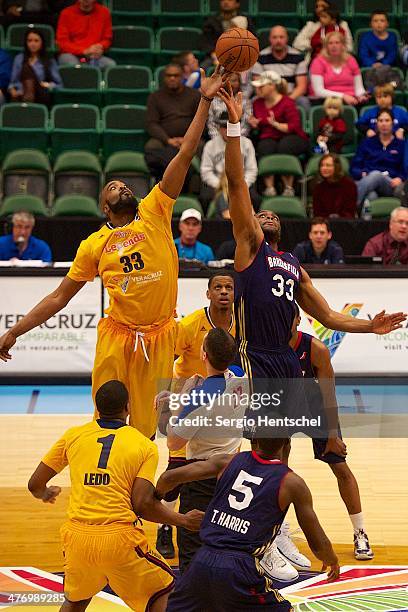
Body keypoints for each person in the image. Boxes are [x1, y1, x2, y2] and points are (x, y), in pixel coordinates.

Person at [216, 81, 405, 577]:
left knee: (282, 453)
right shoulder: (249, 248)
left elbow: (326, 317)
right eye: (259, 214)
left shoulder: (292, 266)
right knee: (262, 455)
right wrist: (235, 126)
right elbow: (238, 186)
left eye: (271, 214)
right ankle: (266, 542)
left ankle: (277, 538)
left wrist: (370, 325)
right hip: (258, 357)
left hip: (286, 361)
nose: (264, 213)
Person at [0, 67, 229, 441]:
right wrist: (15, 331)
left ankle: (135, 486)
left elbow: (186, 153)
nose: (120, 186)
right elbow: (59, 297)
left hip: (158, 337)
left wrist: (204, 100)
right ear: (105, 208)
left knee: (144, 430)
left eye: (124, 184)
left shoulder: (154, 210)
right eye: (112, 186)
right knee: (106, 423)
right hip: (117, 336)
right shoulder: (93, 245)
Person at [28, 380, 203, 612]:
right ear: (128, 407)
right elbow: (142, 504)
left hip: (77, 538)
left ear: (97, 407)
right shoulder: (143, 445)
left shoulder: (73, 435)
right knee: (166, 592)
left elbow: (35, 484)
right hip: (119, 539)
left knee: (76, 600)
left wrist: (46, 493)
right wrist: (182, 520)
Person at [155, 437, 340, 611]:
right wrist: (331, 559)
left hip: (201, 560)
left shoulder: (228, 461)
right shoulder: (292, 482)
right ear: (287, 444)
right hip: (240, 569)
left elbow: (167, 479)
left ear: (254, 441)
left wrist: (154, 500)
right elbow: (317, 543)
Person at [156, 272, 235, 559]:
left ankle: (215, 531)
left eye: (228, 287)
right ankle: (165, 525)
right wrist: (169, 402)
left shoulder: (242, 322)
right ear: (208, 294)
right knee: (176, 472)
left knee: (219, 471)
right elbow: (167, 360)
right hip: (190, 402)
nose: (224, 292)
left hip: (221, 401)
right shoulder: (190, 324)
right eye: (218, 287)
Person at [161, 327, 247, 574]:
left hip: (202, 478)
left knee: (192, 549)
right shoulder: (240, 377)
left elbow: (173, 442)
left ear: (203, 354)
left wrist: (185, 399)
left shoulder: (200, 397)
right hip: (232, 473)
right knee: (225, 543)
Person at [291, 305, 373, 559]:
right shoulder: (268, 347)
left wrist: (332, 435)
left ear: (297, 320)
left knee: (341, 468)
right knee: (274, 468)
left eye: (288, 317)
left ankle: (360, 532)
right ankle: (278, 534)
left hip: (315, 408)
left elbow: (328, 394)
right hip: (282, 406)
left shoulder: (316, 348)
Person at [251, 70, 309, 197]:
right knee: (265, 147)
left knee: (285, 147)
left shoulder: (287, 102)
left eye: (261, 87)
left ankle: (289, 187)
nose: (258, 90)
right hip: (269, 136)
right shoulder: (257, 103)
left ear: (272, 86)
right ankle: (269, 187)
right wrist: (255, 123)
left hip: (291, 136)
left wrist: (275, 124)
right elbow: (260, 124)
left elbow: (294, 127)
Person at [145, 63, 201, 183]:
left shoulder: (195, 95)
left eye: (176, 75)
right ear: (164, 77)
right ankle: (167, 181)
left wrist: (187, 139)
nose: (172, 78)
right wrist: (168, 140)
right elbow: (152, 124)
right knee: (151, 147)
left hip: (190, 139)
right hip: (164, 141)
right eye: (169, 75)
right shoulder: (155, 97)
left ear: (182, 77)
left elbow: (200, 121)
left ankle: (186, 185)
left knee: (201, 146)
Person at [200, 111, 259, 215]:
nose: (228, 130)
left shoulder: (247, 143)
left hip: (242, 182)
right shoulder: (210, 145)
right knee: (205, 198)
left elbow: (252, 170)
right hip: (217, 182)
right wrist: (220, 185)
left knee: (255, 198)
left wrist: (241, 185)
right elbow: (206, 171)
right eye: (224, 127)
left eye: (231, 127)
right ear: (219, 128)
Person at [350, 109, 407, 208]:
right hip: (368, 181)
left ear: (393, 123)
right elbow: (354, 167)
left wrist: (401, 178)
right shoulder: (367, 142)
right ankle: (367, 221)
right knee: (371, 197)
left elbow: (406, 166)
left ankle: (351, 207)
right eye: (380, 121)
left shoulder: (401, 144)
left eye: (387, 120)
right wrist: (361, 173)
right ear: (376, 124)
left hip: (390, 183)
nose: (384, 124)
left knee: (376, 175)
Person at [251, 25, 310, 113]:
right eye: (274, 37)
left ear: (287, 39)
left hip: (291, 96)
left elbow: (301, 87)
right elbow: (259, 88)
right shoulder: (260, 58)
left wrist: (285, 101)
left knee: (304, 101)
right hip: (268, 96)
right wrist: (273, 99)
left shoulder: (298, 57)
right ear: (270, 39)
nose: (278, 40)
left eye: (281, 37)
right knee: (254, 100)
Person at [309, 31, 369, 106]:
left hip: (351, 99)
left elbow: (359, 88)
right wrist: (343, 96)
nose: (334, 46)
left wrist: (361, 96)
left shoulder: (351, 60)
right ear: (326, 46)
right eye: (330, 43)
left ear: (343, 45)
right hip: (325, 100)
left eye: (337, 43)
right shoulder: (318, 62)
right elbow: (319, 91)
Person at [9, 27, 62, 105]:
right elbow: (12, 82)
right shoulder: (19, 58)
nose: (32, 44)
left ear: (42, 43)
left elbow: (59, 85)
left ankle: (28, 100)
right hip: (20, 94)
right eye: (29, 41)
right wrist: (12, 90)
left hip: (40, 94)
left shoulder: (49, 60)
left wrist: (48, 85)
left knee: (27, 68)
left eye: (36, 41)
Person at [56, 0, 116, 68]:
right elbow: (62, 43)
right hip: (72, 55)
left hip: (94, 56)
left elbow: (107, 38)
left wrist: (100, 46)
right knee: (75, 65)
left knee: (110, 64)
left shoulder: (104, 12)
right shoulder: (66, 13)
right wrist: (84, 51)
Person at [199, 0, 256, 67]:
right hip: (216, 55)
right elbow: (205, 42)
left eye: (230, 0)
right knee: (203, 67)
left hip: (242, 55)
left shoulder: (246, 20)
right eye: (223, 0)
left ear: (237, 4)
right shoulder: (211, 21)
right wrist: (214, 55)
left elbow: (253, 40)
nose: (226, 2)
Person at [311, 154, 357, 218]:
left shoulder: (349, 186)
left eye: (328, 165)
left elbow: (349, 212)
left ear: (336, 167)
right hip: (324, 224)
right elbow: (317, 213)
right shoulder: (318, 188)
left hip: (345, 223)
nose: (324, 168)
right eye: (322, 165)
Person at [207, 72, 251, 139]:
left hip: (240, 138)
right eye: (232, 81)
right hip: (217, 139)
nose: (235, 84)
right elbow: (211, 123)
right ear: (223, 82)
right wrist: (218, 138)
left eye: (237, 81)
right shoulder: (213, 100)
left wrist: (235, 137)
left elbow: (246, 123)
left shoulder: (244, 100)